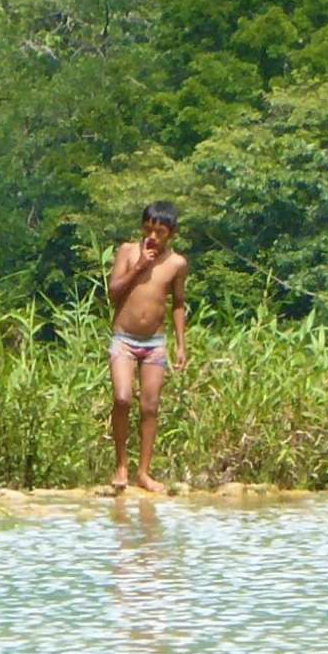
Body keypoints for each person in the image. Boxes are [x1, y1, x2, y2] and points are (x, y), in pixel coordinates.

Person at [106, 201, 188, 493]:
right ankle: (121, 466)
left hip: (154, 343)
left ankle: (143, 472)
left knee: (150, 406)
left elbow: (177, 303)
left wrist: (181, 344)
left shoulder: (176, 263)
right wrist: (139, 266)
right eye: (148, 229)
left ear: (171, 234)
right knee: (122, 398)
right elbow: (112, 293)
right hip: (124, 339)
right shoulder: (128, 251)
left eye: (160, 232)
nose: (153, 237)